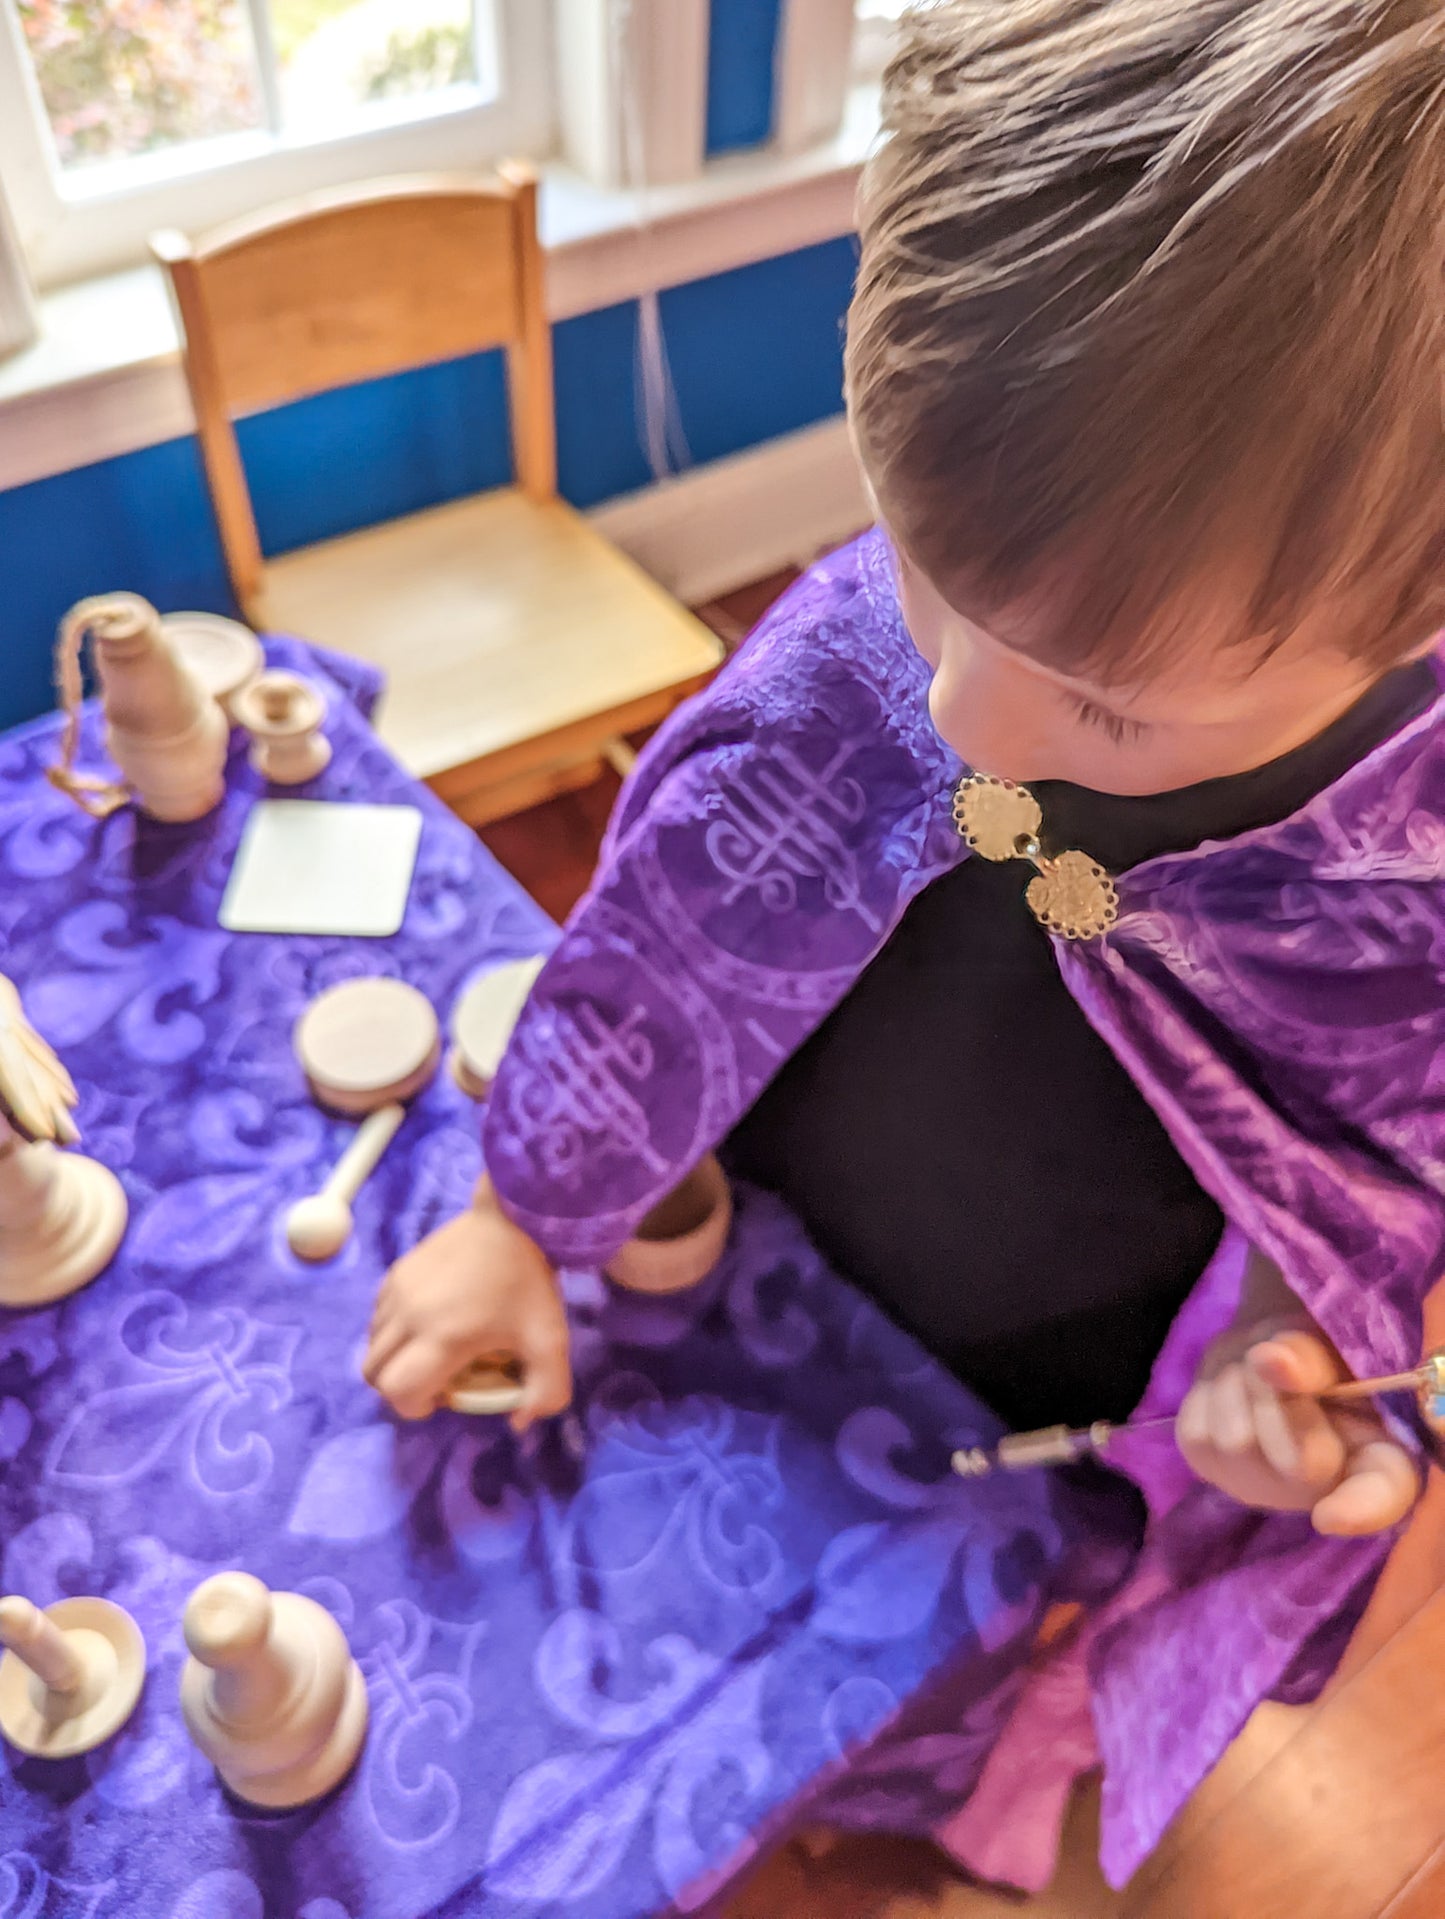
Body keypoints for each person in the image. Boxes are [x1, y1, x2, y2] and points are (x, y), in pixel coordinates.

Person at [363, 0, 1445, 1884]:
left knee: (941, 1603)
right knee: (733, 1502)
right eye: (916, 563)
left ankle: (909, 1777)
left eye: (1104, 706)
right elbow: (662, 949)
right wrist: (520, 1209)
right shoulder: (912, 665)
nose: (959, 718)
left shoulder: (1404, 872)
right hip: (782, 1180)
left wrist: (1284, 1352)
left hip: (1065, 1321)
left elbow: (1359, 1170)